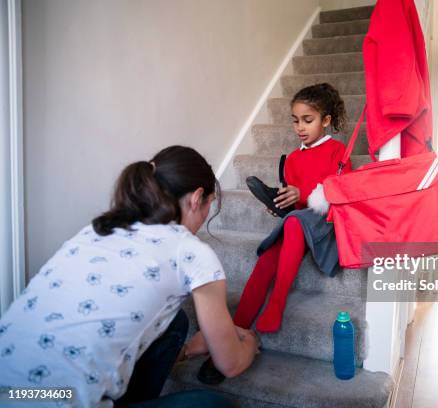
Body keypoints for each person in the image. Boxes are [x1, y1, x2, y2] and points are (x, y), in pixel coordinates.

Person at [0, 146, 259, 407]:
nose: (204, 218)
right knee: (212, 405)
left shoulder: (98, 230)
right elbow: (230, 364)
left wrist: (190, 348)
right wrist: (249, 342)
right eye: (208, 206)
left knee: (176, 322)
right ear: (196, 197)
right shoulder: (190, 252)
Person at [185, 84, 352, 378]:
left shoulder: (338, 152)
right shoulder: (293, 158)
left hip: (323, 226)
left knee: (294, 222)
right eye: (295, 119)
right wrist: (281, 202)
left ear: (326, 120)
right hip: (297, 224)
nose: (299, 127)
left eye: (308, 120)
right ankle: (233, 336)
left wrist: (301, 198)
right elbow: (297, 201)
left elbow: (340, 195)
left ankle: (276, 304)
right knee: (265, 260)